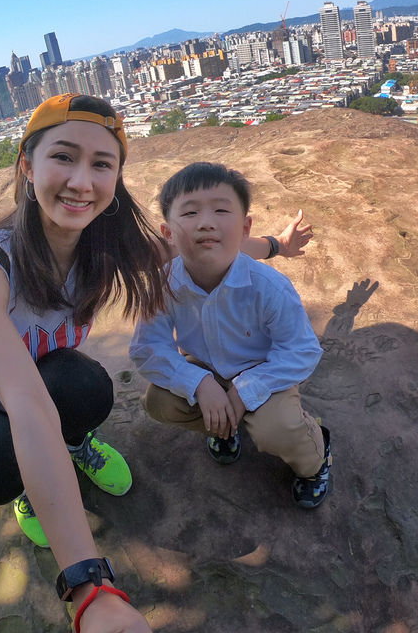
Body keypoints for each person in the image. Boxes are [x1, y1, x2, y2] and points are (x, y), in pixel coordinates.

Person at [0, 96, 311, 631]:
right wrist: (89, 589)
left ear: (116, 177)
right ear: (26, 165)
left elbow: (203, 246)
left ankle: (74, 447)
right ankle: (27, 491)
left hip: (42, 374)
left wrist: (277, 244)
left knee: (93, 391)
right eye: (63, 156)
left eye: (102, 164)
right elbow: (29, 408)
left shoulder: (105, 244)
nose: (82, 181)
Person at [129, 162, 331, 509]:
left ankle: (316, 461)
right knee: (158, 401)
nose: (207, 221)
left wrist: (245, 389)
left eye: (222, 210)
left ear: (245, 226)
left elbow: (301, 350)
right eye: (190, 212)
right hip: (206, 368)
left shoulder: (269, 287)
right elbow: (148, 347)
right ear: (168, 232)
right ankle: (222, 428)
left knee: (276, 428)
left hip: (263, 372)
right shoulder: (164, 285)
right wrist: (199, 383)